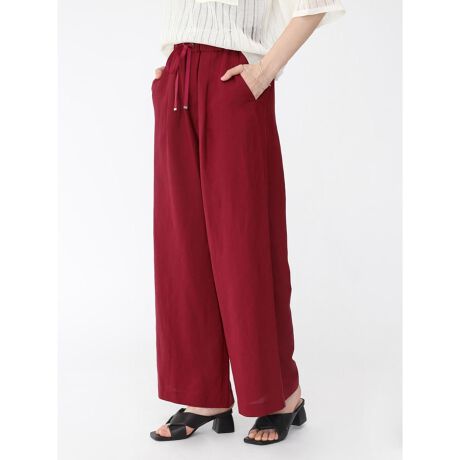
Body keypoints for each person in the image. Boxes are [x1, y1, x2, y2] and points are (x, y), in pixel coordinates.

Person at [150, 0, 345, 446]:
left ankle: (281, 395)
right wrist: (168, 74)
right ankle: (203, 395)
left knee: (245, 246)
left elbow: (316, 6)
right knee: (183, 247)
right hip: (176, 81)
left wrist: (262, 73)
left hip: (233, 82)